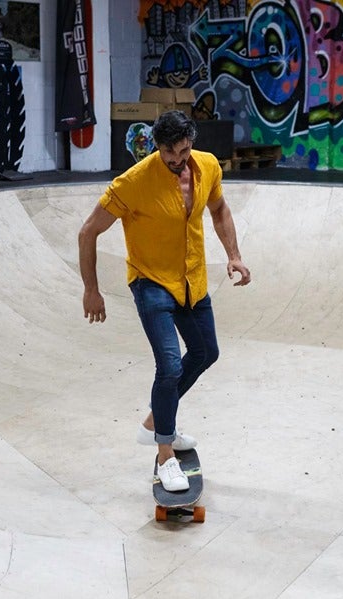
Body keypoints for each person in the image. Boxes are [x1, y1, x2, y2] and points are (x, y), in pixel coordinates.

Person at [78, 110, 251, 491]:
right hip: (151, 281)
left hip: (192, 279)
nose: (178, 161)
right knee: (170, 366)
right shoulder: (133, 182)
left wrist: (234, 254)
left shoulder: (206, 165)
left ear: (191, 142)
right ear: (157, 147)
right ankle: (164, 454)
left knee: (206, 351)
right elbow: (88, 231)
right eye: (169, 154)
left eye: (184, 151)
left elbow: (219, 209)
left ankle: (156, 421)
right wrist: (91, 289)